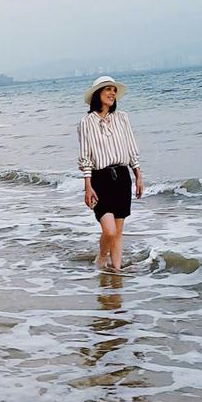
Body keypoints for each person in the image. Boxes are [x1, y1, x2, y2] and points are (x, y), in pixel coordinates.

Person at [77, 75, 143, 271]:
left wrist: (138, 176)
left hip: (123, 177)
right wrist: (87, 186)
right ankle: (102, 257)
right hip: (100, 179)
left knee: (118, 231)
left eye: (114, 90)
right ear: (98, 94)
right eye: (108, 89)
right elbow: (85, 157)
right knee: (110, 230)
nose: (112, 93)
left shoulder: (122, 118)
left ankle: (116, 271)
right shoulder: (86, 122)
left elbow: (132, 149)